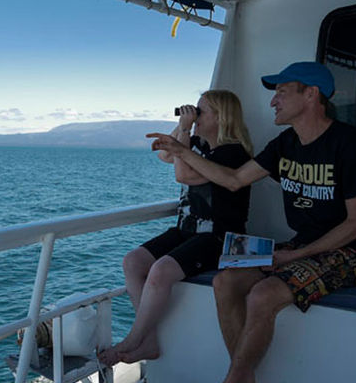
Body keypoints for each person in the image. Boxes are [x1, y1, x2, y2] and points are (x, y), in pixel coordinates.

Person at [147, 62, 356, 383]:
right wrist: (183, 148)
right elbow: (235, 180)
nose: (273, 101)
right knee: (226, 282)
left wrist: (293, 255)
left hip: (353, 250)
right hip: (302, 244)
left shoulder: (350, 143)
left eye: (281, 92)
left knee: (262, 294)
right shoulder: (284, 144)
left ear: (311, 94)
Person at [98, 90, 253, 367]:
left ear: (221, 117)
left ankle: (134, 338)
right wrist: (183, 129)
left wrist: (183, 131)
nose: (194, 116)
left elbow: (183, 174)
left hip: (220, 235)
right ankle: (149, 340)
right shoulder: (198, 144)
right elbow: (165, 156)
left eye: (200, 112)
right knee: (132, 262)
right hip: (188, 229)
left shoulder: (233, 153)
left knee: (160, 271)